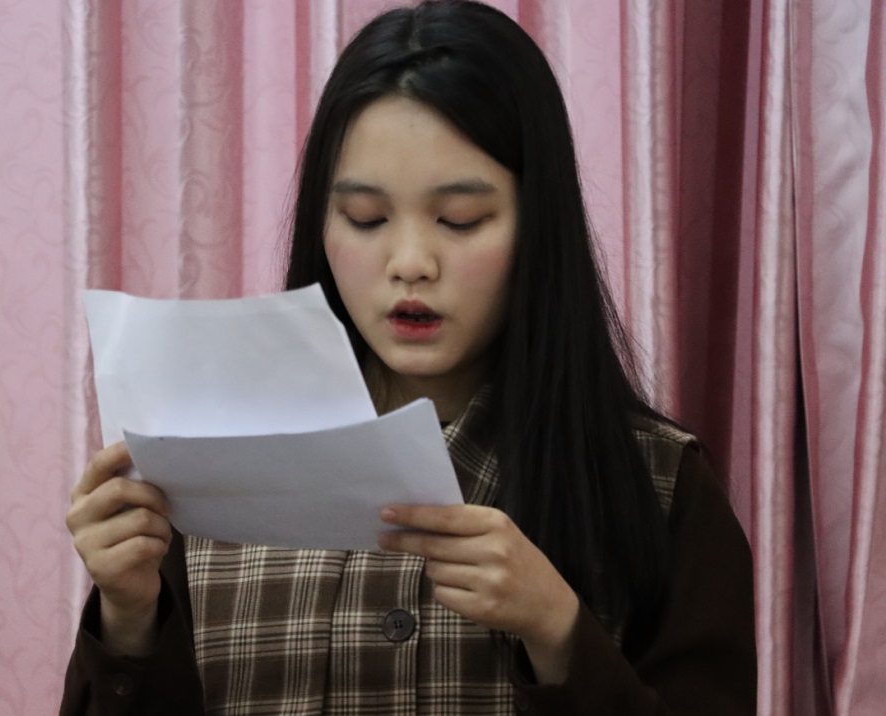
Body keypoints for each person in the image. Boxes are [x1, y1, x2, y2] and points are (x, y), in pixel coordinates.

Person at [60, 1, 757, 713]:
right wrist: (129, 621)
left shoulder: (658, 488)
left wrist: (558, 630)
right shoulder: (204, 473)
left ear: (538, 225)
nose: (411, 262)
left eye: (460, 220)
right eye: (366, 219)